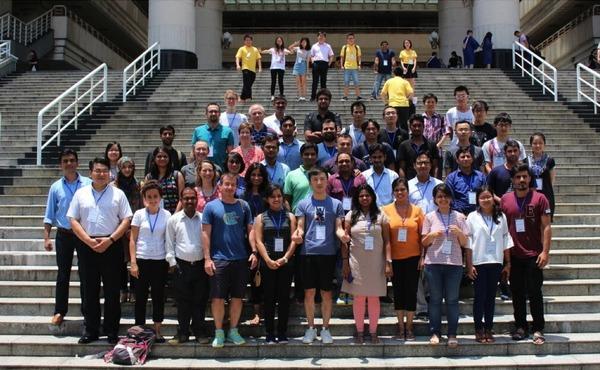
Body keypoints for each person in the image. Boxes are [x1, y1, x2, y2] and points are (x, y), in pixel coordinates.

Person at [67, 158, 133, 344]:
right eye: (97, 170)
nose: (101, 174)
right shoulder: (81, 194)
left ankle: (112, 330)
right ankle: (91, 329)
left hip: (111, 245)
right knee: (89, 290)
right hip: (87, 245)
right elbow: (73, 220)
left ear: (110, 173)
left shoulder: (118, 194)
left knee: (112, 291)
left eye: (104, 170)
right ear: (90, 173)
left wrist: (111, 239)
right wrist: (88, 240)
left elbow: (126, 219)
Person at [292, 167, 349, 344]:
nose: (319, 182)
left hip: (328, 253)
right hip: (307, 253)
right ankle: (310, 328)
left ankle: (325, 328)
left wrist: (343, 237)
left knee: (326, 293)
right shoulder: (303, 204)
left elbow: (338, 228)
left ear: (327, 181)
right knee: (309, 292)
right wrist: (297, 234)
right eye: (315, 179)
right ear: (310, 182)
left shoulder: (336, 204)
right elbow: (300, 226)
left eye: (322, 179)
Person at [202, 172, 258, 348]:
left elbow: (251, 230)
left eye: (233, 185)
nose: (229, 187)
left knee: (237, 298)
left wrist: (254, 251)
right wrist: (207, 258)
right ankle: (219, 332)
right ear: (220, 185)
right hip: (219, 259)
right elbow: (205, 233)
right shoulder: (211, 207)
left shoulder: (243, 206)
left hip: (240, 259)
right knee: (218, 298)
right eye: (226, 184)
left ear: (236, 187)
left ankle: (233, 330)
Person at [501, 164, 552, 345]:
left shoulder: (540, 198)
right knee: (517, 292)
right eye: (518, 177)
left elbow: (546, 226)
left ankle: (538, 328)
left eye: (525, 177)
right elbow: (502, 229)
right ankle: (521, 326)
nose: (521, 180)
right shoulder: (505, 200)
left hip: (534, 254)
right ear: (513, 180)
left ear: (530, 178)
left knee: (535, 292)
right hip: (514, 255)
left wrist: (545, 252)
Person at [44, 148, 92, 326]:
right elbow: (49, 213)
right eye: (65, 161)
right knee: (63, 274)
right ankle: (59, 311)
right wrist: (47, 237)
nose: (69, 164)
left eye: (72, 160)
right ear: (61, 165)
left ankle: (87, 311)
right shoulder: (56, 187)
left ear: (77, 163)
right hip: (64, 234)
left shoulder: (88, 183)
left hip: (83, 234)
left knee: (86, 273)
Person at [421, 183, 470, 347]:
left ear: (451, 198)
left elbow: (465, 243)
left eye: (445, 196)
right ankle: (435, 332)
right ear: (435, 199)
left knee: (452, 300)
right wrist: (432, 235)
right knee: (434, 300)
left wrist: (459, 233)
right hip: (433, 263)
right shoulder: (429, 217)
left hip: (454, 264)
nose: (443, 199)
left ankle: (452, 334)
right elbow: (424, 242)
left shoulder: (460, 217)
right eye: (439, 196)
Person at [342, 184, 391, 344]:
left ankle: (373, 332)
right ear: (357, 198)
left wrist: (388, 262)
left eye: (367, 195)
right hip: (356, 261)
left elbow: (387, 241)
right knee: (359, 298)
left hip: (376, 261)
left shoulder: (381, 215)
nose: (364, 198)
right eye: (361, 196)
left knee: (374, 297)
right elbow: (345, 241)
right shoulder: (351, 215)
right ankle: (360, 331)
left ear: (372, 197)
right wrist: (345, 263)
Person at [466, 186, 513, 343]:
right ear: (477, 200)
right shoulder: (472, 217)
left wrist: (507, 263)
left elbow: (506, 239)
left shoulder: (501, 217)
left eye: (488, 197)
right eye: (482, 197)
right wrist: (469, 264)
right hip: (479, 261)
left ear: (494, 198)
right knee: (479, 297)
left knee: (491, 298)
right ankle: (478, 328)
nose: (486, 200)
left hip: (495, 261)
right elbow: (468, 243)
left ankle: (489, 328)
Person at [166, 187, 210, 344]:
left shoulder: (204, 218)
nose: (189, 201)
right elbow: (169, 244)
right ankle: (182, 333)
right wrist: (173, 264)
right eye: (186, 198)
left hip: (200, 266)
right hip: (181, 267)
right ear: (181, 200)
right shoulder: (174, 220)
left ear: (197, 199)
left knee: (200, 301)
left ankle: (200, 332)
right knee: (183, 302)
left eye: (192, 198)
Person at [254, 184, 298, 344]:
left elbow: (294, 240)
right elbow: (259, 241)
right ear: (267, 199)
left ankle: (282, 332)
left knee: (284, 298)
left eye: (279, 196)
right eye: (273, 196)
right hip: (268, 262)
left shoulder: (290, 216)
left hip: (286, 263)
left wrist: (285, 258)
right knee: (269, 298)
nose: (277, 199)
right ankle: (269, 332)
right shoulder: (261, 217)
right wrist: (267, 259)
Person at [382, 177, 424, 341]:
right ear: (393, 192)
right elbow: (385, 238)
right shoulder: (385, 210)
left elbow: (422, 236)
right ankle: (400, 327)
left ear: (408, 191)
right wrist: (387, 261)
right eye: (397, 190)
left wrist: (422, 257)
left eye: (403, 190)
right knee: (398, 292)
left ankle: (410, 326)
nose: (400, 193)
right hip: (395, 259)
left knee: (411, 292)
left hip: (413, 257)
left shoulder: (417, 211)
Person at [129, 180, 171, 342]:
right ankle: (139, 331)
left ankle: (157, 330)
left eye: (155, 196)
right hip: (141, 260)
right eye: (149, 197)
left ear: (160, 197)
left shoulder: (167, 215)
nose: (152, 199)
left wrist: (169, 260)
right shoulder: (139, 214)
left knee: (158, 296)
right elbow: (133, 239)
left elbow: (168, 239)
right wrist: (133, 262)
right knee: (140, 297)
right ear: (144, 198)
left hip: (160, 261)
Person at [407, 152, 442, 319]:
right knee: (416, 269)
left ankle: (430, 298)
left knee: (432, 266)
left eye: (426, 163)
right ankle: (421, 307)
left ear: (431, 165)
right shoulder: (408, 186)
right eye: (419, 163)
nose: (423, 166)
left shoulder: (439, 184)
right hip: (414, 233)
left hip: (435, 232)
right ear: (414, 165)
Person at [112, 157, 143, 303]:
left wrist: (135, 226)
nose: (127, 170)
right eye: (124, 167)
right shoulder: (114, 186)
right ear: (119, 168)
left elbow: (142, 206)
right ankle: (123, 289)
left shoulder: (138, 185)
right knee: (120, 262)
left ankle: (135, 290)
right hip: (118, 227)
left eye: (130, 167)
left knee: (135, 260)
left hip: (135, 227)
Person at [445, 147, 487, 215]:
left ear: (472, 159)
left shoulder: (481, 176)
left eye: (468, 156)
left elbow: (485, 194)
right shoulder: (451, 178)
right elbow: (450, 197)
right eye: (462, 157)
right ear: (457, 160)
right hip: (458, 215)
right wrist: (460, 213)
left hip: (478, 214)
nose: (466, 159)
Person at [191, 102, 234, 168]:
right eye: (211, 111)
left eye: (215, 111)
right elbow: (193, 152)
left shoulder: (227, 131)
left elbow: (230, 154)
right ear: (206, 114)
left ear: (219, 114)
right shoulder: (198, 131)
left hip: (221, 170)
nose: (213, 113)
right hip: (202, 171)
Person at [396, 115, 439, 180]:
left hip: (428, 183)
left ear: (423, 127)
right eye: (414, 126)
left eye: (419, 126)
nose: (417, 128)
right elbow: (402, 168)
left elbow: (435, 166)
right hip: (410, 183)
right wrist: (404, 184)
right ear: (410, 127)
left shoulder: (432, 145)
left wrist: (435, 183)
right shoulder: (404, 145)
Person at [144, 146, 185, 214]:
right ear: (154, 159)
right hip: (155, 215)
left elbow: (182, 198)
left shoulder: (177, 175)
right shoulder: (149, 177)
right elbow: (144, 197)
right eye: (159, 156)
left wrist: (175, 215)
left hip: (174, 215)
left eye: (165, 156)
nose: (162, 158)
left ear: (169, 158)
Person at [487, 140, 525, 204]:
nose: (513, 153)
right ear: (505, 153)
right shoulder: (495, 172)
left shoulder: (526, 171)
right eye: (510, 151)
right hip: (501, 209)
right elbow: (489, 191)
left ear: (520, 152)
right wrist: (501, 201)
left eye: (515, 151)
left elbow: (532, 190)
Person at [528, 132, 556, 220]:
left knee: (546, 223)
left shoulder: (550, 161)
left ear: (544, 145)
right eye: (535, 143)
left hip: (546, 195)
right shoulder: (526, 161)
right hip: (531, 196)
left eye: (540, 143)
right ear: (531, 145)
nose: (538, 145)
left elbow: (551, 180)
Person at [284, 142, 318, 212]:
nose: (310, 157)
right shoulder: (291, 175)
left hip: (318, 217)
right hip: (297, 217)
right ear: (301, 156)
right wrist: (290, 217)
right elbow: (287, 200)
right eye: (306, 154)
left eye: (312, 154)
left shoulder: (324, 175)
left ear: (317, 156)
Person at [422, 93, 450, 178]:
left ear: (436, 104)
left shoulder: (440, 118)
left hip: (437, 152)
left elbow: (446, 133)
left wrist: (437, 145)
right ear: (424, 104)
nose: (430, 104)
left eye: (432, 102)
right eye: (428, 102)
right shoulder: (420, 118)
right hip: (422, 152)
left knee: (436, 176)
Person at [261, 36, 291, 100]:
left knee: (281, 81)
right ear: (276, 42)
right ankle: (272, 95)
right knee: (273, 81)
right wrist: (261, 51)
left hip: (281, 68)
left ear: (282, 42)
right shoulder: (273, 49)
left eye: (280, 41)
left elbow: (290, 52)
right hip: (273, 67)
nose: (279, 42)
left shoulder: (284, 50)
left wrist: (291, 50)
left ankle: (281, 94)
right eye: (278, 41)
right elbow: (267, 51)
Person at [235, 34, 261, 102]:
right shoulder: (242, 48)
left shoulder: (255, 49)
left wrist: (260, 68)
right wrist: (238, 65)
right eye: (246, 40)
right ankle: (249, 97)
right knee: (247, 83)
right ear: (244, 41)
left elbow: (258, 59)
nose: (248, 41)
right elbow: (238, 57)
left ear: (251, 41)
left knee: (248, 84)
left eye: (249, 40)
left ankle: (242, 97)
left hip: (253, 70)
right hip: (245, 69)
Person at [309, 31, 335, 101]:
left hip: (324, 64)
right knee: (315, 81)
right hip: (316, 64)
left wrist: (329, 64)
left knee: (323, 81)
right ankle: (313, 97)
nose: (321, 37)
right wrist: (312, 62)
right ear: (317, 37)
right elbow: (311, 55)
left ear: (325, 38)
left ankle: (324, 97)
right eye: (320, 36)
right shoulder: (314, 46)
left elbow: (331, 55)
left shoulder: (328, 46)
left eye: (322, 36)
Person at [340, 33, 362, 101]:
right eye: (349, 38)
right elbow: (342, 57)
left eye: (352, 38)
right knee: (346, 82)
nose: (351, 40)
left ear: (354, 39)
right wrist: (341, 65)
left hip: (355, 67)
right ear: (347, 40)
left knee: (356, 82)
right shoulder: (344, 47)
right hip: (347, 67)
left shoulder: (357, 47)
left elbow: (359, 57)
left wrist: (359, 64)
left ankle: (358, 96)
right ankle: (345, 96)